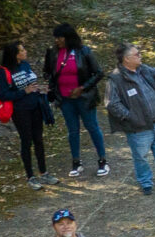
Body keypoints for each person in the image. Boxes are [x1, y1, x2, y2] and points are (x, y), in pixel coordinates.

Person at [101, 43, 155, 195]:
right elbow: (111, 103)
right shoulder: (116, 79)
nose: (140, 56)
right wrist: (130, 117)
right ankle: (145, 182)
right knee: (141, 157)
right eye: (137, 54)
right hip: (138, 128)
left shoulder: (143, 69)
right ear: (127, 59)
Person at [44, 23, 107, 178]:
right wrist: (52, 86)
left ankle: (102, 161)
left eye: (59, 37)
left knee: (92, 127)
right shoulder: (52, 53)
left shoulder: (83, 51)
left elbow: (98, 73)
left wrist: (82, 88)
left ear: (68, 37)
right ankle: (76, 162)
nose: (57, 40)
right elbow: (47, 72)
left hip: (84, 98)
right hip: (65, 99)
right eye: (55, 38)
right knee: (72, 130)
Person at [0, 40, 55, 186]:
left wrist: (40, 89)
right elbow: (3, 94)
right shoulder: (4, 72)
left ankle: (44, 172)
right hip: (21, 111)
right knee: (26, 141)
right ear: (15, 55)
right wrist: (23, 92)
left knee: (38, 139)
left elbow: (30, 84)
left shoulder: (25, 65)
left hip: (36, 107)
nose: (25, 51)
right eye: (22, 50)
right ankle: (30, 176)